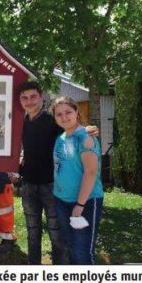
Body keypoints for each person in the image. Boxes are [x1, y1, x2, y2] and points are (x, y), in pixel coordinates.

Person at [13, 81, 98, 265]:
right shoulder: (22, 122)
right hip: (28, 185)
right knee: (32, 232)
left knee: (56, 234)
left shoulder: (53, 119)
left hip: (52, 186)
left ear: (41, 96)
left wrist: (88, 129)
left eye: (33, 97)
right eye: (24, 98)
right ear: (20, 101)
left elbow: (73, 130)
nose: (29, 101)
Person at [51, 96, 104, 265]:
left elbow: (91, 172)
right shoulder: (61, 138)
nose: (64, 117)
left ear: (76, 112)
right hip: (62, 201)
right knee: (71, 247)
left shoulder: (85, 137)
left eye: (68, 112)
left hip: (85, 203)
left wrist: (79, 205)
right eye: (59, 114)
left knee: (82, 253)